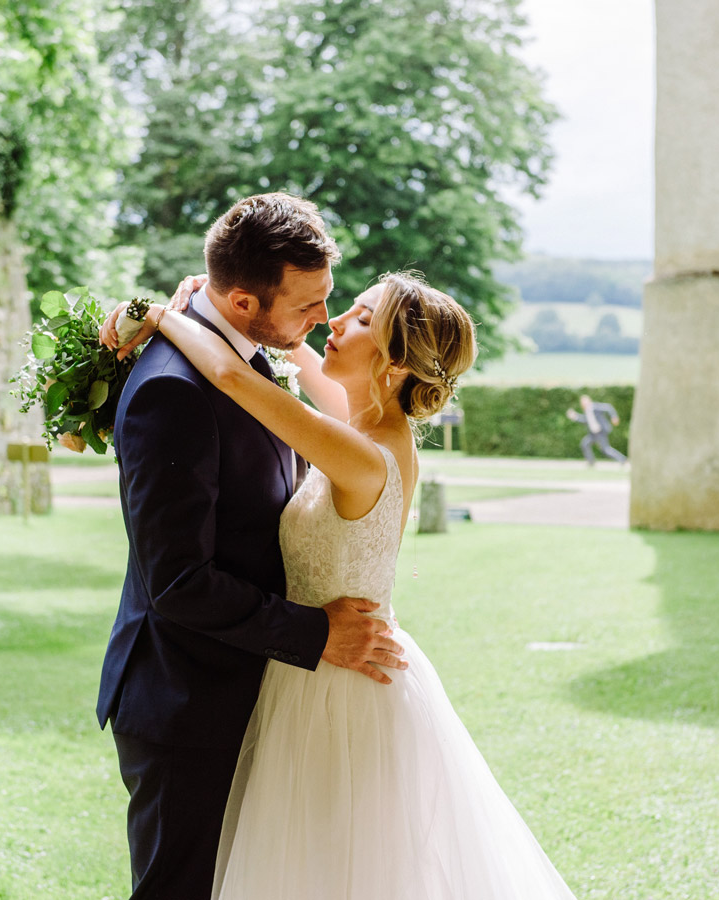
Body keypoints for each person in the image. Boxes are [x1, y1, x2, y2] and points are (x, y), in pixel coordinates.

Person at [105, 270, 579, 900]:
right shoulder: (362, 425)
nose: (334, 321)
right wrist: (209, 296)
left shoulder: (360, 454)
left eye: (359, 319)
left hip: (336, 684)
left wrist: (164, 318)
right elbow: (285, 351)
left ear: (394, 362)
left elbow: (232, 377)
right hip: (306, 665)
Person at [95, 193, 407, 900]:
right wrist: (316, 632)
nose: (321, 322)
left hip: (255, 688)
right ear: (240, 302)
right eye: (308, 306)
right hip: (187, 701)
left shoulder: (244, 355)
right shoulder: (174, 388)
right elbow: (177, 581)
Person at [567, 393, 627, 466]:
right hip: (593, 434)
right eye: (582, 402)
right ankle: (591, 462)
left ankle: (622, 459)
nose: (584, 403)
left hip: (601, 432)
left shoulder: (595, 407)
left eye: (585, 401)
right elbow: (585, 420)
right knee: (585, 444)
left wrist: (614, 416)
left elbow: (608, 407)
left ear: (589, 400)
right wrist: (575, 417)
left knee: (606, 449)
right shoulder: (587, 411)